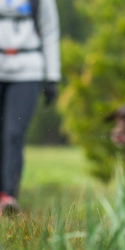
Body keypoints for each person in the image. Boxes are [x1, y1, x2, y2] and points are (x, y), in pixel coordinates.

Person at [0, 0, 60, 214]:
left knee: (13, 135)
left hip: (28, 69)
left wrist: (52, 76)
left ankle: (8, 196)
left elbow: (50, 30)